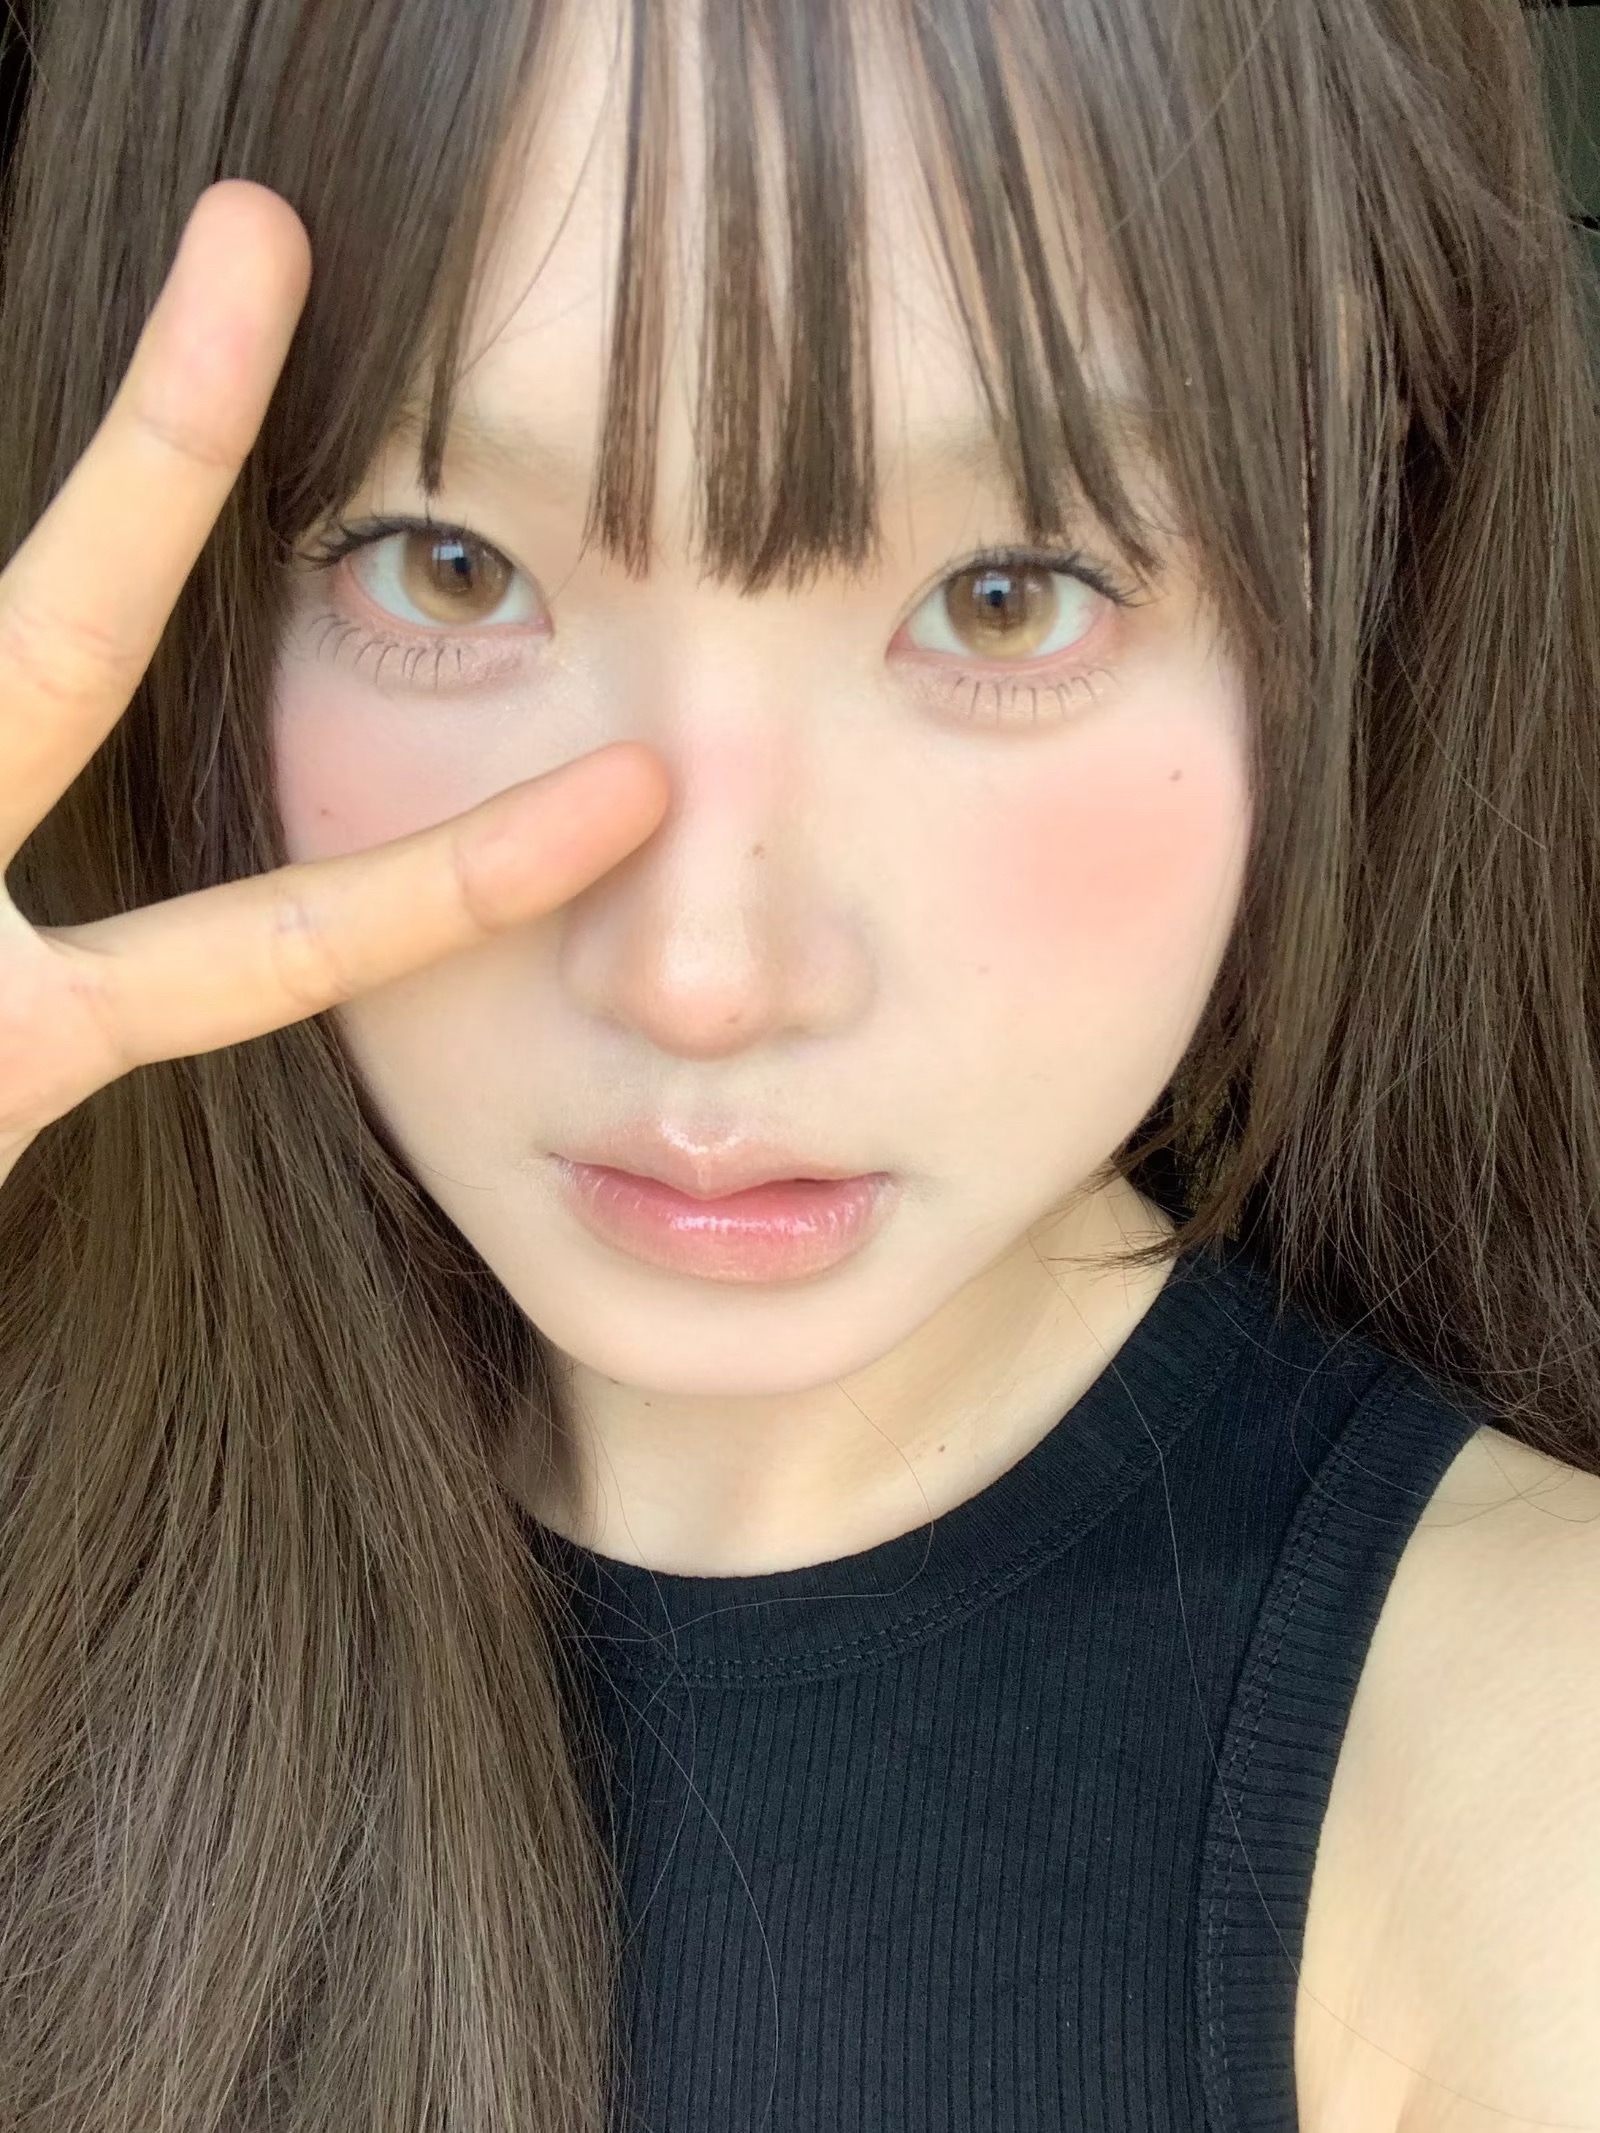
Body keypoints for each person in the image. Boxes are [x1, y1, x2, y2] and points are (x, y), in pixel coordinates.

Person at [0, 0, 1596, 2126]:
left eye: (1007, 596)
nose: (702, 974)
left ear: (1356, 532)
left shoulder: (1525, 1790)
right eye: (449, 566)